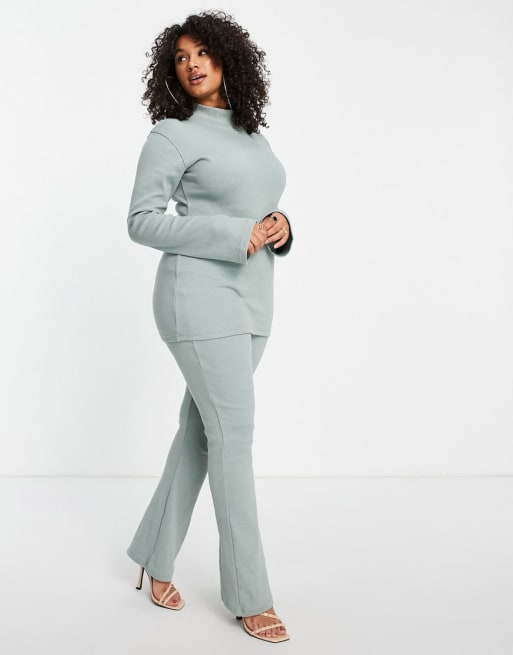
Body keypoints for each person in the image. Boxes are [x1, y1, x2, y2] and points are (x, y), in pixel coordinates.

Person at [125, 10, 293, 644]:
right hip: (197, 297)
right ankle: (251, 595)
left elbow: (257, 208)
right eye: (180, 57)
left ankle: (153, 555)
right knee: (234, 438)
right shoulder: (171, 135)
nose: (192, 64)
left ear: (228, 58)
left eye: (202, 52)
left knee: (202, 432)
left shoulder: (254, 137)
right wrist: (231, 234)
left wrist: (281, 226)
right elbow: (142, 220)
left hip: (252, 299)